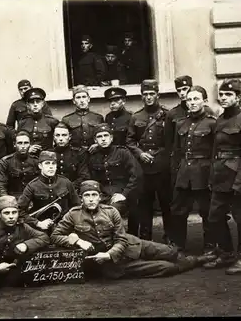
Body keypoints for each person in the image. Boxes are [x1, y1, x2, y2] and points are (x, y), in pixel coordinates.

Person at [51, 180, 211, 280]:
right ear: (81, 198)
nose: (91, 199)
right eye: (87, 195)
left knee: (171, 252)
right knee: (166, 268)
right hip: (112, 264)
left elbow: (121, 239)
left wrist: (109, 253)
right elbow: (55, 235)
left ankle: (200, 258)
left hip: (130, 245)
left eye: (94, 195)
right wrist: (79, 241)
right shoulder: (73, 215)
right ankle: (196, 262)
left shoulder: (110, 211)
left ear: (100, 197)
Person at [203, 79, 241, 275]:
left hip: (238, 179)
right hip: (221, 178)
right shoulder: (220, 120)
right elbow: (216, 151)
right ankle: (227, 253)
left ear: (238, 97)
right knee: (215, 217)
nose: (223, 98)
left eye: (228, 95)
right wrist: (212, 177)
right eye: (221, 95)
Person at [169, 86, 224, 257]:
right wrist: (176, 172)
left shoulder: (212, 123)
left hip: (204, 173)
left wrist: (214, 175)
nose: (192, 103)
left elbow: (217, 151)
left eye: (196, 99)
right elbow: (177, 151)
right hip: (184, 173)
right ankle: (178, 245)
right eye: (189, 100)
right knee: (178, 210)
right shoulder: (181, 123)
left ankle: (210, 245)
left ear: (204, 101)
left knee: (207, 211)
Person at [127, 80, 172, 242]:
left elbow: (171, 142)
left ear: (158, 95)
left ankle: (170, 238)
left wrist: (159, 154)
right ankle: (146, 239)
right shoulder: (136, 117)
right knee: (145, 205)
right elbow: (130, 141)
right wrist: (140, 154)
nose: (148, 97)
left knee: (166, 204)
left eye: (152, 94)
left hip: (162, 168)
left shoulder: (168, 115)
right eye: (145, 94)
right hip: (144, 169)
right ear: (141, 97)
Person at [87, 123, 143, 236]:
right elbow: (93, 178)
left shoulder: (122, 152)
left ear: (111, 138)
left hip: (123, 193)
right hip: (103, 194)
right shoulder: (93, 156)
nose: (103, 139)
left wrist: (124, 194)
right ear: (95, 140)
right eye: (99, 136)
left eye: (105, 136)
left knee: (112, 211)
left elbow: (137, 174)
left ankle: (123, 239)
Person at [165, 75, 216, 187]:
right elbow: (171, 144)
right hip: (183, 168)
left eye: (185, 89)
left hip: (202, 168)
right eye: (179, 90)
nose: (182, 93)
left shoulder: (209, 115)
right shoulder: (173, 114)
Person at [18, 151, 81, 232]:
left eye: (53, 164)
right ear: (40, 166)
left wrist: (69, 222)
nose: (51, 167)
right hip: (41, 227)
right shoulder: (32, 185)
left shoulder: (65, 182)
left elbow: (77, 206)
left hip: (65, 225)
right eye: (47, 163)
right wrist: (37, 223)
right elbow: (20, 211)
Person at [0, 131, 39, 200]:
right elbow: (0, 185)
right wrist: (7, 200)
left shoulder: (36, 162)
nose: (23, 146)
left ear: (30, 144)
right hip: (12, 199)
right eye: (20, 143)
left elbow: (40, 184)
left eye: (26, 143)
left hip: (32, 199)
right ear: (14, 144)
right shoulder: (5, 161)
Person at [17, 87, 59, 155]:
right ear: (28, 105)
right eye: (32, 102)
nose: (35, 104)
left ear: (42, 104)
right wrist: (28, 149)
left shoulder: (52, 122)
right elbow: (18, 142)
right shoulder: (22, 123)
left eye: (38, 102)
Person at [61, 85, 104, 150]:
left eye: (84, 97)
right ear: (74, 101)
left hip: (94, 153)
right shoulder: (66, 119)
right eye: (78, 97)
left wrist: (97, 144)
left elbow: (103, 135)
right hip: (75, 154)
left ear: (88, 99)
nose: (81, 100)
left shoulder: (98, 117)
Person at [52, 122, 90, 191]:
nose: (61, 138)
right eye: (57, 135)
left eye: (64, 135)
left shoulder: (79, 153)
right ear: (54, 137)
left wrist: (69, 187)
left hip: (73, 190)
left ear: (69, 137)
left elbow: (84, 176)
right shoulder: (49, 153)